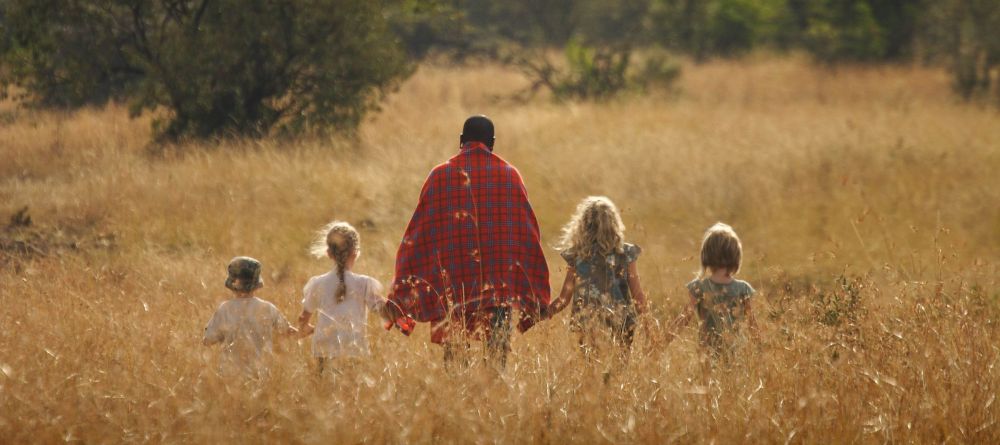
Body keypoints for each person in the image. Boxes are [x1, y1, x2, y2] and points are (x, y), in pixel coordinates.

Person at [385, 115, 551, 369]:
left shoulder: (440, 175)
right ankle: (494, 403)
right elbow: (527, 233)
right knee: (497, 358)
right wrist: (535, 290)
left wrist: (402, 291)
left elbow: (418, 234)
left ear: (461, 141)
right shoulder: (510, 175)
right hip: (497, 287)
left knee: (455, 360)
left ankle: (458, 405)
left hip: (453, 287)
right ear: (492, 143)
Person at [547, 197, 650, 358]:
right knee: (619, 369)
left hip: (587, 321)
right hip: (621, 322)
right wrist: (649, 328)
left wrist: (542, 314)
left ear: (583, 225)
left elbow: (564, 298)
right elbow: (637, 295)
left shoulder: (578, 255)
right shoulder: (626, 253)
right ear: (614, 224)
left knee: (591, 368)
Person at [298, 221, 390, 375]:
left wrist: (308, 328)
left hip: (324, 348)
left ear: (328, 253)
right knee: (351, 391)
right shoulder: (365, 283)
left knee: (324, 390)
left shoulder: (317, 283)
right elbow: (384, 312)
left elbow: (303, 318)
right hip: (354, 348)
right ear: (356, 252)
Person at [666, 223, 760, 360]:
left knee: (707, 382)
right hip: (737, 350)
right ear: (736, 256)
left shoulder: (698, 287)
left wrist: (664, 342)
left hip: (707, 351)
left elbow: (684, 318)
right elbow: (753, 324)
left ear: (706, 255)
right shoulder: (743, 288)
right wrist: (761, 349)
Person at [203, 256, 298, 377]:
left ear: (231, 283)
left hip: (230, 375)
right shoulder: (268, 308)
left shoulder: (224, 309)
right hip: (260, 373)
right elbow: (288, 332)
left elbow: (207, 340)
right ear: (257, 283)